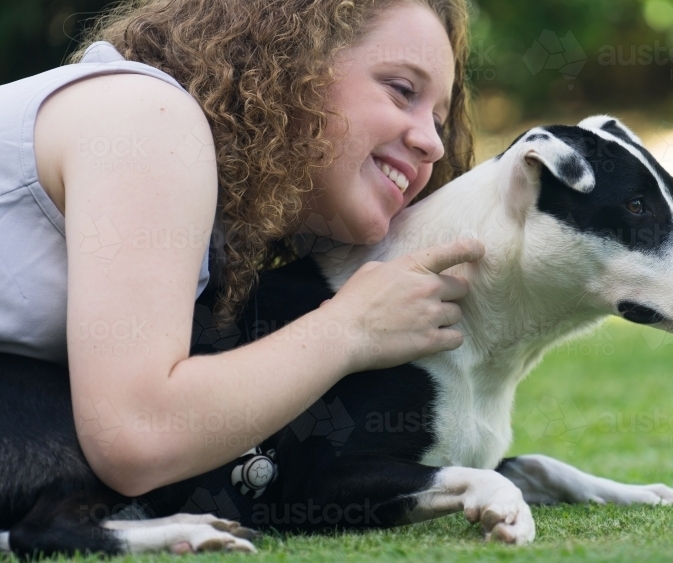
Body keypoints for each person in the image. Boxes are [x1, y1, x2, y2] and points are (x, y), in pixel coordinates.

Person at [0, 0, 484, 497]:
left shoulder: (209, 201)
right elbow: (137, 437)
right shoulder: (149, 121)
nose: (434, 143)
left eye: (440, 121)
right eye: (402, 90)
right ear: (298, 58)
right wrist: (353, 326)